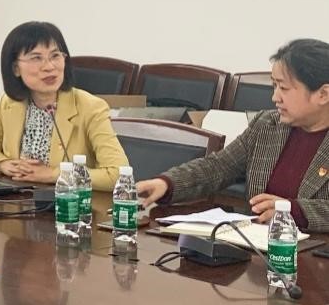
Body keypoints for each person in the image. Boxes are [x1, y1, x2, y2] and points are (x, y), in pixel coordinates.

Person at [137, 38, 329, 231]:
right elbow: (218, 167)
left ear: (323, 94)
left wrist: (293, 211)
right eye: (274, 86)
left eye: (284, 88)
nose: (275, 97)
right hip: (256, 242)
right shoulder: (267, 125)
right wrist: (167, 184)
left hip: (315, 247)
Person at [0, 21, 129, 190]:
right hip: (16, 199)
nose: (49, 67)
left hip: (68, 202)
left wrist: (53, 174)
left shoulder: (91, 107)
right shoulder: (10, 103)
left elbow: (117, 174)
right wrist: (0, 163)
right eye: (36, 58)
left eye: (55, 56)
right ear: (15, 68)